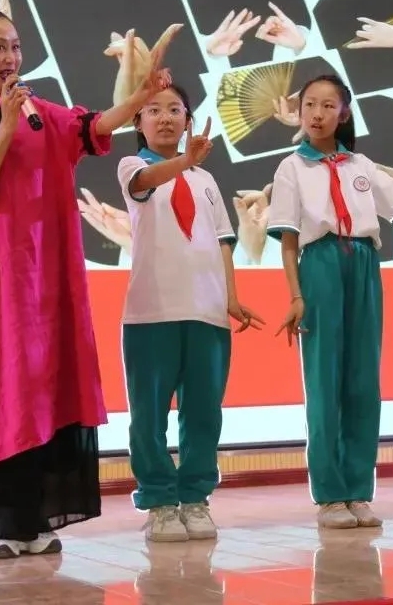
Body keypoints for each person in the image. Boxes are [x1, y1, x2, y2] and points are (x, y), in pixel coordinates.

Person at [0, 5, 176, 559]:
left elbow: (94, 128)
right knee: (7, 388)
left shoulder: (41, 112)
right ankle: (9, 522)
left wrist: (141, 96)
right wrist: (7, 122)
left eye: (15, 46)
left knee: (49, 384)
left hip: (50, 277)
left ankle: (39, 521)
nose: (10, 57)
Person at [267, 74, 393, 529]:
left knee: (362, 381)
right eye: (309, 105)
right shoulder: (291, 167)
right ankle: (330, 495)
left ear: (344, 113)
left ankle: (357, 490)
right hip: (319, 265)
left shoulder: (360, 164)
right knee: (324, 381)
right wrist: (296, 294)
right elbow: (289, 241)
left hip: (364, 265)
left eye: (327, 105)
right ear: (299, 112)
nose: (317, 114)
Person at [118, 84, 265, 542]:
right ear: (138, 121)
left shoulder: (205, 181)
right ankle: (160, 502)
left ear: (188, 119)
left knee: (203, 414)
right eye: (154, 110)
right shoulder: (133, 166)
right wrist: (185, 161)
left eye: (175, 110)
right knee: (149, 416)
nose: (165, 118)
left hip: (207, 313)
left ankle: (196, 498)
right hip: (151, 312)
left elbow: (223, 241)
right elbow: (147, 182)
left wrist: (230, 297)